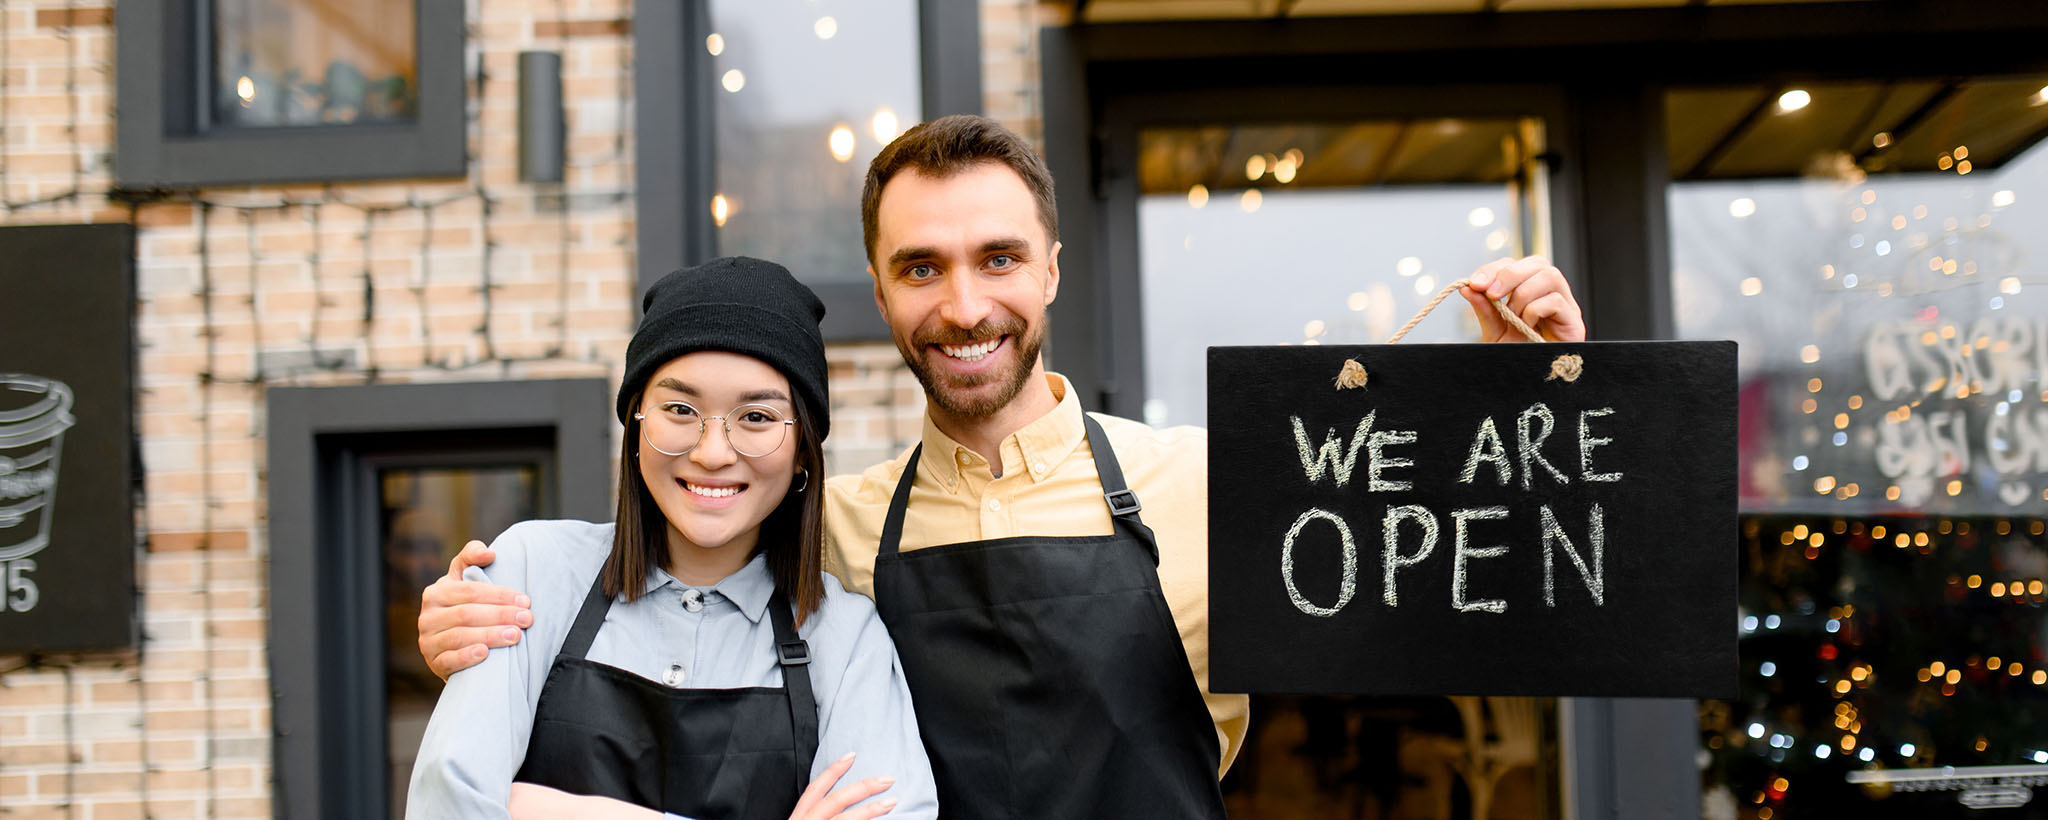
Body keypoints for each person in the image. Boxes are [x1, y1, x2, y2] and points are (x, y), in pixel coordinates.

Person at [416, 116, 1585, 818]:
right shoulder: (830, 528)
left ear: (1052, 270)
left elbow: (1475, 603)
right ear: (880, 291)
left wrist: (1508, 418)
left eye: (998, 259)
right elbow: (669, 572)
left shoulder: (1205, 481)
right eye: (921, 268)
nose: (964, 304)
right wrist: (473, 611)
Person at [405, 258, 937, 820]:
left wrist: (552, 809)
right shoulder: (530, 573)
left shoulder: (847, 641)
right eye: (681, 409)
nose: (712, 452)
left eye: (756, 417)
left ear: (803, 448)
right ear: (636, 422)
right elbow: (450, 801)